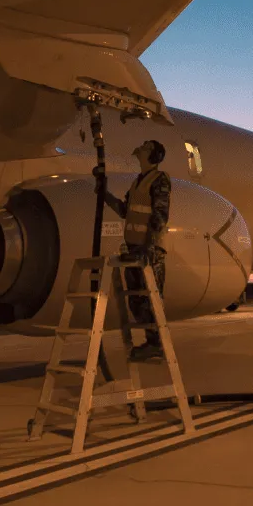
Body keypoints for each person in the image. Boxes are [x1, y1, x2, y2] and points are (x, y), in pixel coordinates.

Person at [100, 139, 171, 362]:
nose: (139, 147)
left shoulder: (159, 180)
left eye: (145, 146)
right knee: (137, 301)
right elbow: (125, 210)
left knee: (152, 299)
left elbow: (160, 217)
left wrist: (148, 248)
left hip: (149, 251)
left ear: (152, 154)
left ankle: (157, 343)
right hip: (134, 250)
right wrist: (105, 196)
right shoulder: (138, 182)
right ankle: (151, 343)